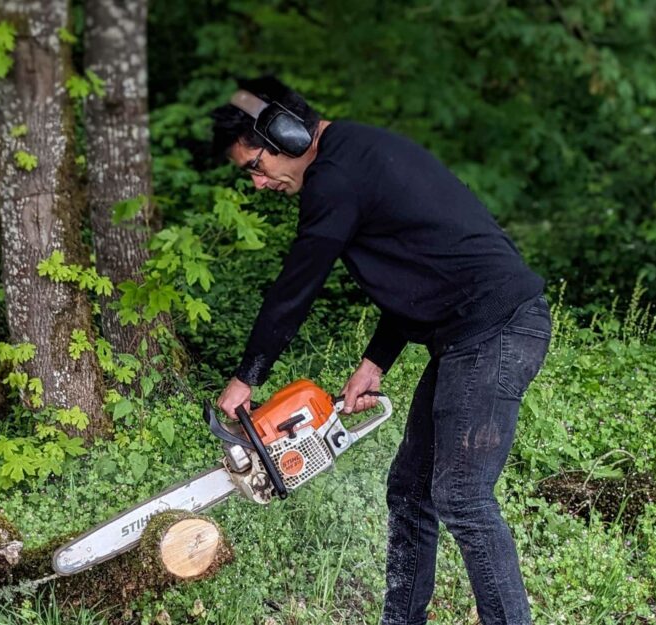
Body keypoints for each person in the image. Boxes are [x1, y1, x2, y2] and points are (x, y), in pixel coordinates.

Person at [210, 76, 550, 625]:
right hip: (468, 332)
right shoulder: (357, 154)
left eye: (254, 166)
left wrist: (247, 376)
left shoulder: (336, 177)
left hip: (495, 328)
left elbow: (298, 285)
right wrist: (375, 362)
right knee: (412, 491)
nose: (257, 182)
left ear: (288, 135)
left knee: (462, 494)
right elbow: (420, 270)